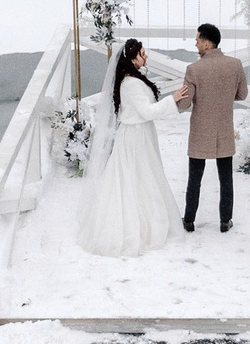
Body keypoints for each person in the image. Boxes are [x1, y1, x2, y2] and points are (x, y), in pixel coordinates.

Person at [76, 38, 182, 257]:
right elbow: (148, 112)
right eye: (143, 53)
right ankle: (138, 228)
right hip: (135, 136)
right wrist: (173, 100)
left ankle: (145, 222)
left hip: (138, 134)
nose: (146, 56)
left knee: (140, 178)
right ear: (133, 57)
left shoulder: (132, 79)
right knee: (138, 178)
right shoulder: (131, 84)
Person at [173, 22, 248, 232]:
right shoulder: (235, 64)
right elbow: (242, 95)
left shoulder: (194, 69)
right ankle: (225, 220)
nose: (195, 44)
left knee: (194, 178)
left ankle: (189, 220)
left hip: (200, 130)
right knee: (226, 178)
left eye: (197, 40)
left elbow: (184, 104)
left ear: (206, 44)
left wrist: (175, 100)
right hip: (224, 128)